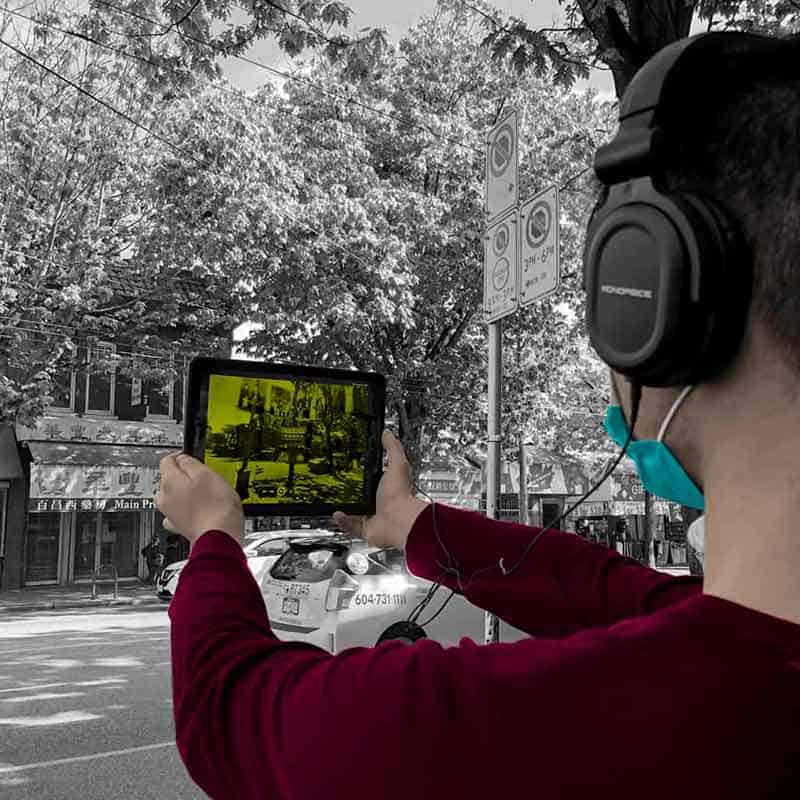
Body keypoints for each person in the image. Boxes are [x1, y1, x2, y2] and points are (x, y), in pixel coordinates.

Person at [154, 33, 800, 800]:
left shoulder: (647, 714)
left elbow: (236, 715)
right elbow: (604, 588)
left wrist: (214, 538)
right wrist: (411, 521)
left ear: (650, 298)